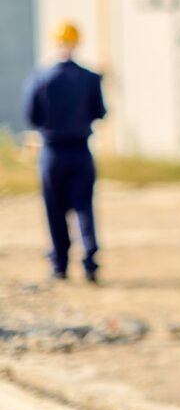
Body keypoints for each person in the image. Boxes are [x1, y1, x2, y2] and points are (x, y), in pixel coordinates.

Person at [23, 21, 106, 283]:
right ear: (78, 41)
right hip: (81, 151)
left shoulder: (40, 78)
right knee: (84, 206)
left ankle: (59, 265)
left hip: (52, 153)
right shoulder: (91, 78)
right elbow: (99, 112)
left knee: (55, 209)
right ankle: (90, 262)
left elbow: (31, 116)